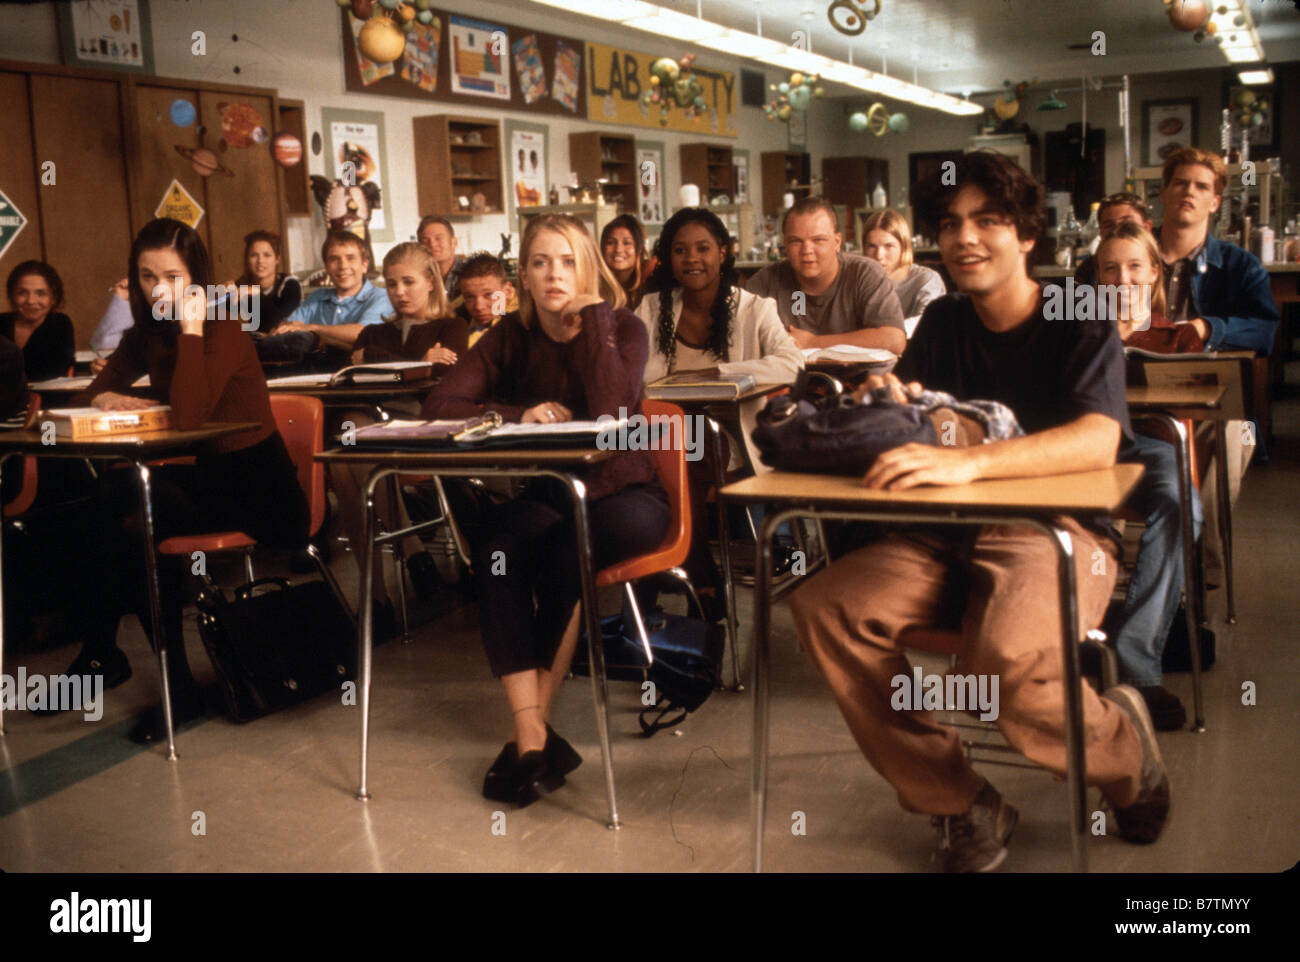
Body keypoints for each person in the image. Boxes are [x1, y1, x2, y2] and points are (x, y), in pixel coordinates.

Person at [787, 152, 1169, 872]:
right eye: (952, 223)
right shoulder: (942, 321)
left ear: (1026, 235)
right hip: (942, 535)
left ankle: (1123, 753)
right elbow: (908, 408)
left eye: (988, 221)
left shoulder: (1075, 310)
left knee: (1004, 674)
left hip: (1055, 533)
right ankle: (960, 799)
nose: (966, 237)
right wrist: (887, 405)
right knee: (826, 607)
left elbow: (1099, 437)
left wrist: (968, 461)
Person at [421, 214, 669, 807]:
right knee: (499, 552)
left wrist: (595, 320)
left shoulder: (625, 327)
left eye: (566, 261)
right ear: (522, 277)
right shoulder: (510, 335)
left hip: (627, 497)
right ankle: (532, 733)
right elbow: (441, 400)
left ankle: (524, 739)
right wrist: (516, 415)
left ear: (588, 267)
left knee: (565, 552)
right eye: (539, 262)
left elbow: (612, 413)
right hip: (556, 496)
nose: (554, 273)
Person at [61, 218, 309, 742]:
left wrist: (193, 328)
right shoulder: (145, 334)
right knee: (110, 498)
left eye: (172, 276)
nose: (159, 289)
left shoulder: (224, 327)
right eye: (147, 277)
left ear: (196, 276)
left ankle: (124, 662)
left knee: (136, 518)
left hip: (264, 492)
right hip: (214, 481)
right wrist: (107, 396)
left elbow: (191, 415)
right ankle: (123, 660)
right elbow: (91, 392)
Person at [637, 207, 803, 614]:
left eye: (703, 248)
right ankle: (694, 577)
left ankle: (676, 580)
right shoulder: (652, 307)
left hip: (728, 435)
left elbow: (791, 363)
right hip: (659, 430)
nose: (692, 259)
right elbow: (629, 372)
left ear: (724, 253)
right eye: (679, 250)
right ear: (667, 258)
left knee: (687, 452)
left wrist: (719, 373)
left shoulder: (754, 308)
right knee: (654, 454)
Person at [1091, 221, 1204, 728]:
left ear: (1154, 272)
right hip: (1088, 448)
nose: (1123, 278)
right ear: (1097, 279)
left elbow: (1196, 408)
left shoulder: (1177, 336)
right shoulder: (1078, 332)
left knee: (1181, 505)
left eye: (1135, 266)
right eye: (1110, 269)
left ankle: (1135, 667)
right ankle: (1060, 651)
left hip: (1153, 449)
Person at [332, 242, 469, 610]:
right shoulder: (376, 333)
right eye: (391, 285)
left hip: (426, 427)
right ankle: (405, 566)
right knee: (345, 448)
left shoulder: (452, 326)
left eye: (408, 282)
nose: (399, 293)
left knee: (351, 451)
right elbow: (359, 365)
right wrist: (415, 360)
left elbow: (443, 373)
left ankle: (383, 593)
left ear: (430, 281)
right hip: (375, 422)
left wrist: (384, 361)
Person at [745, 197, 905, 354]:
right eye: (796, 241)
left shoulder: (865, 274)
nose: (806, 250)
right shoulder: (765, 282)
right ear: (785, 245)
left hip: (860, 378)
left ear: (837, 242)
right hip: (790, 378)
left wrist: (814, 342)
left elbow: (894, 340)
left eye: (818, 240)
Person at [263, 231, 388, 360]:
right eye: (334, 259)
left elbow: (362, 333)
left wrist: (312, 328)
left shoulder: (381, 297)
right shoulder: (317, 297)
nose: (343, 266)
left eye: (350, 258)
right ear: (326, 267)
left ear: (364, 265)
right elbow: (287, 327)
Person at [861, 208, 946, 338]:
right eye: (872, 246)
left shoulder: (926, 279)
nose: (879, 255)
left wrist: (881, 335)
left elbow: (926, 323)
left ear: (903, 247)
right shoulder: (860, 280)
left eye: (888, 246)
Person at [0, 260, 75, 381]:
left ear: (54, 298)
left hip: (47, 397)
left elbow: (55, 371)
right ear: (12, 296)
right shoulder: (1, 323)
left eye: (41, 293)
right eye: (22, 293)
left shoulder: (60, 324)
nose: (30, 300)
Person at [224, 230, 302, 335]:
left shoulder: (290, 285)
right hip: (258, 345)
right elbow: (221, 317)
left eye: (267, 255)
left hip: (286, 343)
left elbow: (280, 325)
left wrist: (256, 294)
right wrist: (225, 297)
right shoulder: (244, 284)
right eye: (254, 255)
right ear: (247, 260)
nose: (260, 260)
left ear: (277, 259)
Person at [1073, 192, 1154, 286]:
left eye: (1127, 224)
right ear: (1101, 233)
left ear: (1146, 228)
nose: (1118, 230)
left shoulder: (1163, 265)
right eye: (1109, 226)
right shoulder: (1088, 269)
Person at [450, 252, 517, 347]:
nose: (479, 307)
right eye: (470, 297)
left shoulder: (522, 316)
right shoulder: (461, 306)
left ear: (507, 291)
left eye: (488, 295)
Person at [600, 214, 650, 310]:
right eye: (611, 242)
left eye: (627, 243)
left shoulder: (651, 279)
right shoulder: (596, 284)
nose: (618, 249)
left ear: (639, 249)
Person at [418, 215, 464, 300]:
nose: (432, 244)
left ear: (454, 242)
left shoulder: (469, 274)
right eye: (425, 240)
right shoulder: (418, 278)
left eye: (438, 238)